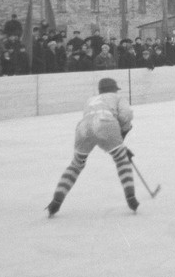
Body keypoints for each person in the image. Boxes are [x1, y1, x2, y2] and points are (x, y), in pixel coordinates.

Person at [45, 77, 138, 217]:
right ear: (114, 89)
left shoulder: (91, 99)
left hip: (84, 127)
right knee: (121, 160)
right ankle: (131, 197)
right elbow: (127, 115)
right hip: (105, 123)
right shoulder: (118, 98)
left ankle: (56, 200)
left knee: (76, 165)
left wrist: (120, 145)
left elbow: (93, 121)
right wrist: (122, 143)